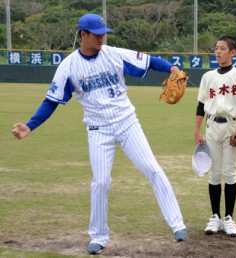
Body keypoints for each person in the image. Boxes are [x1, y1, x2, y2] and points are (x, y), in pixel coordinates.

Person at [12, 13, 188, 255]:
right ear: (83, 35)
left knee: (152, 169)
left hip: (127, 123)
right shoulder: (69, 66)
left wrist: (172, 68)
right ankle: (98, 236)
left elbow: (149, 61)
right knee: (101, 182)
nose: (102, 37)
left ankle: (177, 225)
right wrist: (30, 125)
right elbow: (51, 101)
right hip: (98, 130)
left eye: (103, 33)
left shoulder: (114, 54)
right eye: (97, 34)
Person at [194, 36, 236, 237]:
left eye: (222, 48)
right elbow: (201, 106)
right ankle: (215, 217)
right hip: (212, 126)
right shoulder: (208, 77)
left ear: (232, 53)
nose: (218, 51)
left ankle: (229, 218)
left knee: (230, 173)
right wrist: (197, 131)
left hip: (232, 127)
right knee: (214, 173)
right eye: (216, 48)